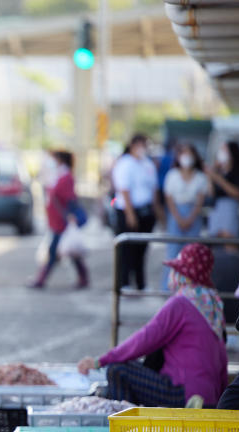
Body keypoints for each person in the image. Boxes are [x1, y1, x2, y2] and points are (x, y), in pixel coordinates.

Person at [78, 243, 228, 408]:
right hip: (208, 396)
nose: (171, 275)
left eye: (175, 270)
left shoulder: (182, 303)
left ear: (184, 274)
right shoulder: (213, 303)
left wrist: (102, 360)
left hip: (184, 394)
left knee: (117, 370)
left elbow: (145, 339)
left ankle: (128, 429)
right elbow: (221, 358)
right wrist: (220, 403)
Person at [112, 133, 164, 290]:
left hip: (146, 211)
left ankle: (141, 283)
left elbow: (153, 189)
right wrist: (130, 214)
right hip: (128, 210)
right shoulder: (125, 164)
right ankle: (125, 282)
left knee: (141, 249)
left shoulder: (147, 164)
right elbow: (124, 190)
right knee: (127, 249)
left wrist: (157, 212)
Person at [31, 150, 89, 289]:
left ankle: (41, 279)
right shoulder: (59, 176)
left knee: (54, 252)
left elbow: (69, 198)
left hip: (62, 222)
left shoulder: (65, 177)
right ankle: (83, 278)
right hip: (58, 221)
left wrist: (70, 215)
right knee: (68, 252)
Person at [162, 143, 208, 288]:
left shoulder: (200, 177)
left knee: (192, 253)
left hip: (193, 215)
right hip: (176, 214)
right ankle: (168, 287)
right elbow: (169, 199)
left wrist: (190, 218)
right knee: (173, 252)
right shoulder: (173, 175)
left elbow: (200, 200)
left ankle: (190, 286)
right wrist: (179, 218)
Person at [206, 141, 239, 238]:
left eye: (224, 150)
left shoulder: (238, 172)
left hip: (231, 210)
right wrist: (211, 176)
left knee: (229, 242)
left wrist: (218, 179)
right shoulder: (219, 171)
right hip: (217, 210)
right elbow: (211, 194)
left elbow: (238, 193)